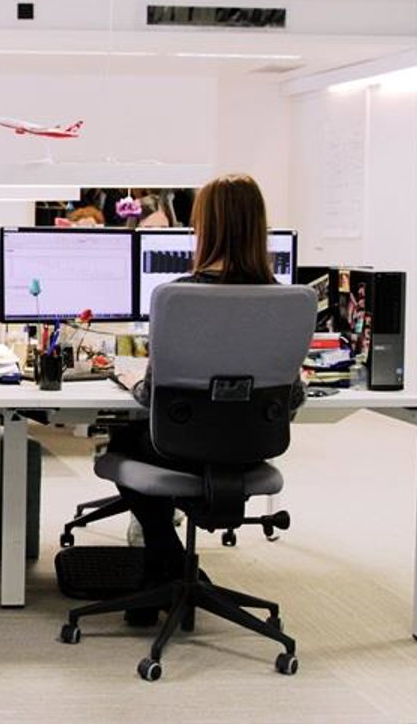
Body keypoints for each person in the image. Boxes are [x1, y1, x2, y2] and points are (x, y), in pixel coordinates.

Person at [111, 173, 305, 623]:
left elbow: (151, 396)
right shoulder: (290, 301)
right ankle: (167, 568)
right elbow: (292, 398)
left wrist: (129, 379)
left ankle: (165, 560)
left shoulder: (179, 297)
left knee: (123, 440)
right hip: (250, 449)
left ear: (203, 228)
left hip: (176, 449)